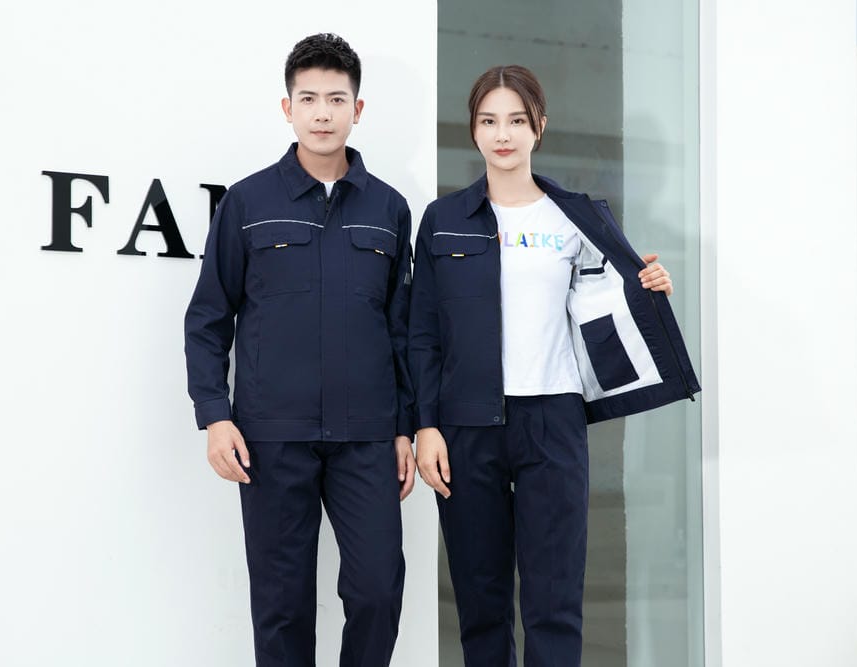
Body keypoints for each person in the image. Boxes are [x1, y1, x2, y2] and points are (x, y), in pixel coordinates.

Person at [409, 65, 701, 667]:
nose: (503, 134)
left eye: (517, 120)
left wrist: (652, 284)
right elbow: (424, 332)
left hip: (553, 421)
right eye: (489, 121)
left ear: (539, 126)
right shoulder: (443, 220)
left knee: (555, 600)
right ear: (473, 129)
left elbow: (612, 292)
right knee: (481, 603)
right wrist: (426, 425)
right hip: (467, 426)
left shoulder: (576, 216)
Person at [183, 33, 416, 667]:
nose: (322, 113)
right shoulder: (247, 202)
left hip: (367, 436)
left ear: (357, 110)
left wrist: (405, 426)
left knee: (377, 591)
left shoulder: (389, 208)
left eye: (336, 99)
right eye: (308, 99)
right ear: (287, 108)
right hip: (271, 435)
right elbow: (208, 317)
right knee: (282, 604)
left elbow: (401, 328)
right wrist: (215, 416)